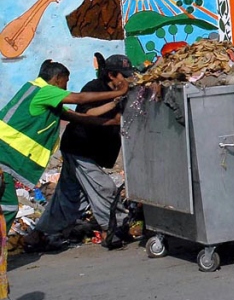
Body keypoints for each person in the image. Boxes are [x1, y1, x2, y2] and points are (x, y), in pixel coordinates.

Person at [24, 54, 135, 252]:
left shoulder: (124, 92)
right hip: (79, 148)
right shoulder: (94, 88)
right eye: (123, 76)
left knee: (70, 198)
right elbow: (86, 113)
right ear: (111, 75)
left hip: (90, 151)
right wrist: (114, 102)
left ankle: (38, 234)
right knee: (105, 188)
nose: (127, 80)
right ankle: (112, 230)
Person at [0, 60, 128, 233]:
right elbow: (79, 98)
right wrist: (120, 92)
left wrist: (112, 120)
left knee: (67, 197)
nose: (65, 87)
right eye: (65, 82)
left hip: (7, 158)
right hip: (5, 157)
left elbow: (77, 116)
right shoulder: (44, 91)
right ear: (57, 78)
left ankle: (41, 233)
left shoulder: (40, 94)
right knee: (7, 208)